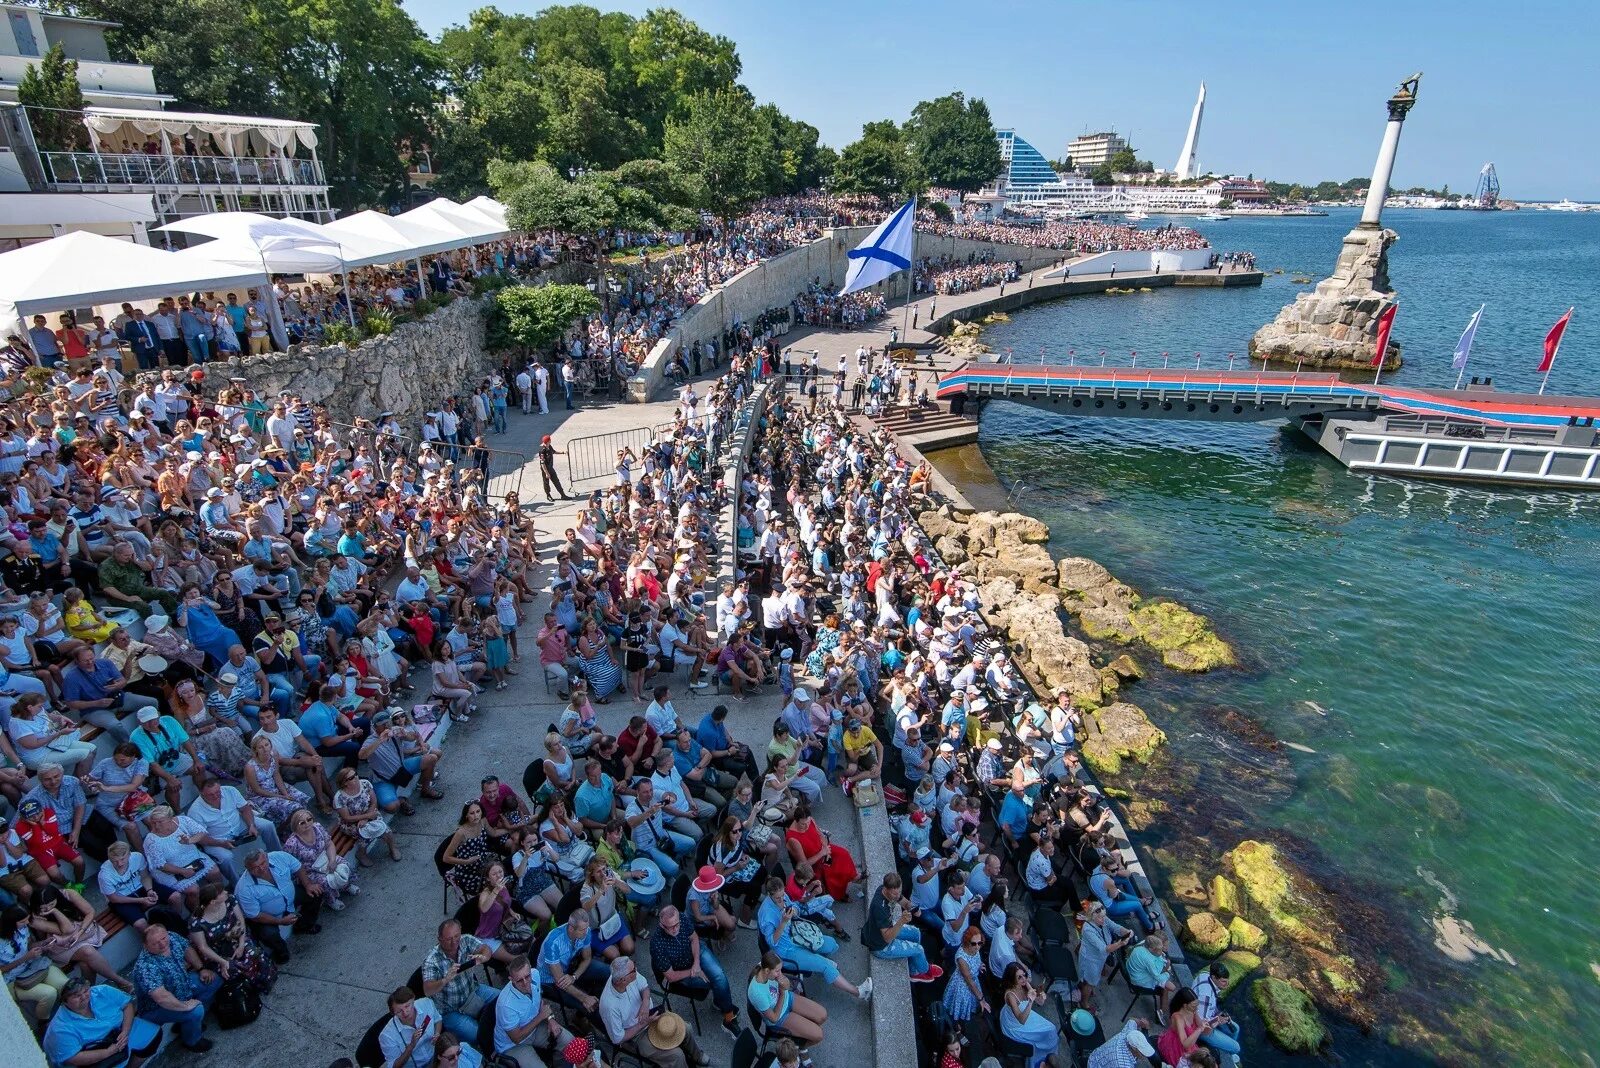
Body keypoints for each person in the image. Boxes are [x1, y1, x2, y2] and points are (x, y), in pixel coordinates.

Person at [756, 876, 871, 1002]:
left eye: (783, 895)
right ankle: (858, 992)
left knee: (831, 945)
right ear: (769, 895)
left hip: (797, 935)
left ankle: (815, 961)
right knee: (826, 966)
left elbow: (796, 907)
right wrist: (783, 922)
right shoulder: (767, 915)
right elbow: (772, 942)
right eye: (778, 898)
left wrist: (794, 910)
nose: (782, 900)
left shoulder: (783, 896)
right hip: (786, 951)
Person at [597, 956, 707, 1068]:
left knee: (686, 1028)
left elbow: (644, 987)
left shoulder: (627, 975)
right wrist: (643, 1023)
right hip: (636, 1036)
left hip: (652, 1014)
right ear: (623, 980)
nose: (636, 969)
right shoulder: (609, 1006)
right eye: (634, 969)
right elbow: (617, 1038)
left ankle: (697, 1056)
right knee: (676, 1055)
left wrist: (645, 1002)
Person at [649, 905, 739, 1038]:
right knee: (715, 981)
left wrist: (696, 963)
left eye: (677, 924)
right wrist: (693, 971)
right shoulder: (657, 945)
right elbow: (671, 977)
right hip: (682, 970)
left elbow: (694, 938)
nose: (675, 929)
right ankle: (725, 1010)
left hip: (696, 953)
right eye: (670, 927)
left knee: (719, 976)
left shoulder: (682, 919)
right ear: (662, 926)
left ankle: (724, 1010)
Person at [130, 923, 221, 1054]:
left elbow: (186, 948)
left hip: (182, 985)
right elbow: (161, 997)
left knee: (213, 981)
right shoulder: (145, 967)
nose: (162, 944)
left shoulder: (171, 937)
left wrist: (200, 968)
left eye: (163, 938)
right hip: (157, 1007)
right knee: (195, 1010)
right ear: (145, 946)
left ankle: (187, 1022)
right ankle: (192, 1041)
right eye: (155, 943)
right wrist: (186, 1006)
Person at [42, 976, 164, 1068]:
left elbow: (127, 1005)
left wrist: (125, 1031)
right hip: (94, 1051)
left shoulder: (102, 991)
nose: (84, 997)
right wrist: (108, 1052)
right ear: (65, 1002)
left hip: (121, 1032)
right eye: (76, 996)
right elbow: (72, 1058)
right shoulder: (60, 1029)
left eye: (85, 991)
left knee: (154, 1036)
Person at [235, 848, 324, 964]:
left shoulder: (279, 857)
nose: (261, 868)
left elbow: (298, 867)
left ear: (266, 857)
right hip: (268, 916)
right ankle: (281, 952)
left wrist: (308, 885)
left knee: (316, 893)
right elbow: (255, 915)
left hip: (290, 899)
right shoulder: (243, 889)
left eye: (263, 863)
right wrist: (280, 921)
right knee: (268, 934)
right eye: (255, 868)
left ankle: (304, 925)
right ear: (247, 869)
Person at [421, 918, 498, 1044]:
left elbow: (486, 949)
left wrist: (483, 956)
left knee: (503, 999)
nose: (454, 942)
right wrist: (445, 980)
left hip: (473, 991)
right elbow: (427, 990)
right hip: (451, 1010)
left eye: (456, 936)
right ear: (439, 939)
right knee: (480, 1035)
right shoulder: (431, 960)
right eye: (448, 939)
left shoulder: (465, 940)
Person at [861, 873, 942, 983]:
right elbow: (887, 938)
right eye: (895, 893)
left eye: (899, 891)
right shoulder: (880, 907)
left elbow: (903, 901)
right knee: (919, 950)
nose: (898, 895)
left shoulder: (887, 891)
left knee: (916, 933)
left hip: (884, 929)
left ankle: (914, 967)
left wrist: (912, 908)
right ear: (886, 889)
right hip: (880, 946)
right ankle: (923, 972)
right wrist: (901, 921)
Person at [746, 950, 829, 1046]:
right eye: (777, 971)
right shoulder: (757, 993)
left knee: (823, 1015)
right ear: (767, 971)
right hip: (780, 1016)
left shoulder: (764, 966)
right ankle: (800, 1049)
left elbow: (786, 984)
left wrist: (785, 984)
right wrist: (781, 992)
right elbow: (774, 1018)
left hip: (787, 997)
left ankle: (805, 1033)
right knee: (819, 1035)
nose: (780, 974)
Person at [784, 802, 861, 904]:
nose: (807, 826)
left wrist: (825, 849)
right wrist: (822, 853)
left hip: (823, 851)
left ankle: (853, 877)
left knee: (843, 854)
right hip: (814, 862)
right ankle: (840, 893)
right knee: (833, 871)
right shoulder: (793, 838)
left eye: (808, 822)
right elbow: (804, 864)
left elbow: (820, 835)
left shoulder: (810, 820)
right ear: (796, 821)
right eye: (803, 824)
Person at [999, 961, 1059, 1068]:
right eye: (1019, 977)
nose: (1024, 979)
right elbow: (1021, 1020)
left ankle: (1046, 1057)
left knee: (1052, 1029)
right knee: (1046, 1032)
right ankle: (1041, 1061)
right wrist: (1030, 1001)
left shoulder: (1025, 983)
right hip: (1015, 1025)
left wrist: (1041, 996)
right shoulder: (1010, 996)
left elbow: (1039, 1002)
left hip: (1026, 1014)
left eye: (1024, 975)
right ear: (1012, 979)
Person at [381, 986, 444, 1068]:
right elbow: (394, 1066)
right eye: (399, 1011)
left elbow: (437, 1019)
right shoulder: (387, 1035)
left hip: (435, 1056)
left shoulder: (426, 1003)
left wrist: (437, 1033)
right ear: (393, 1013)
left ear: (413, 999)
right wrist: (411, 1046)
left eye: (407, 1006)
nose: (405, 1013)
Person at [1193, 960, 1242, 1064]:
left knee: (1235, 1029)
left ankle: (1227, 1046)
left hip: (1208, 1016)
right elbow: (1203, 1028)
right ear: (1214, 977)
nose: (1227, 984)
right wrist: (1218, 1021)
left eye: (1227, 980)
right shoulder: (1205, 996)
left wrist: (1217, 1013)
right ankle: (1229, 1050)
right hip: (1200, 1029)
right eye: (1223, 981)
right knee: (1237, 1048)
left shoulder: (1206, 975)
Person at [1125, 932, 1177, 1025]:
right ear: (1152, 948)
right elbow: (1157, 976)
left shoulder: (1143, 946)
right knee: (1167, 988)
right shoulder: (1149, 960)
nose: (1162, 951)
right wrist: (1166, 971)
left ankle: (1162, 1012)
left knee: (1166, 985)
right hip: (1137, 981)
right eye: (1161, 949)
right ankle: (1162, 1013)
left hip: (1132, 971)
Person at [1086, 1019, 1159, 1068]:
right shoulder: (1125, 1065)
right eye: (1142, 1052)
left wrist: (1141, 1022)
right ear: (1133, 1047)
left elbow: (1132, 1021)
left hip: (1094, 1057)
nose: (1145, 1055)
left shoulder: (1127, 1033)